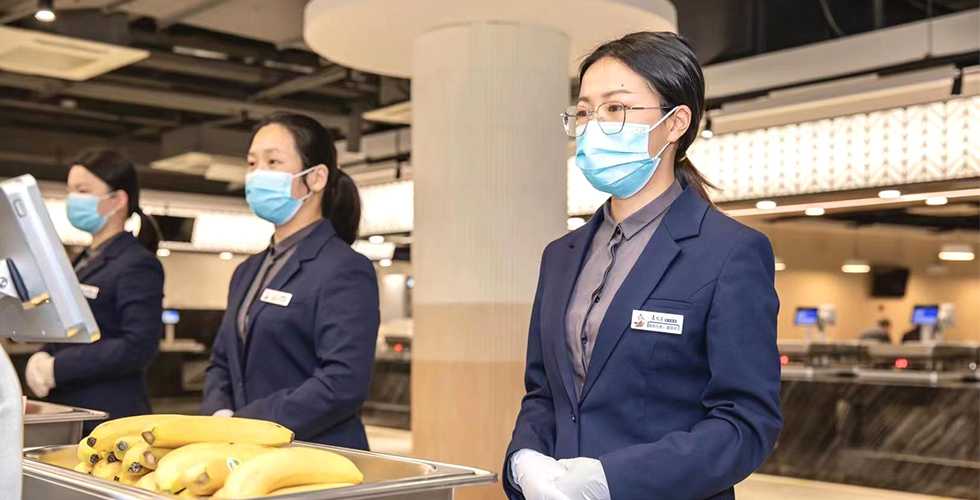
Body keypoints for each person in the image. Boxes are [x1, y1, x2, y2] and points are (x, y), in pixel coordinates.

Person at [504, 32, 782, 500]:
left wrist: (612, 480)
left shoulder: (729, 252)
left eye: (616, 108)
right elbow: (544, 393)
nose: (593, 126)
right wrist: (524, 458)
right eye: (585, 112)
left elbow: (745, 423)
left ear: (675, 124)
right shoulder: (560, 255)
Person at [202, 112, 380, 449]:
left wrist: (246, 424)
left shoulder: (344, 268)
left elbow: (342, 382)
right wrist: (219, 414)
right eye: (252, 163)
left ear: (316, 178)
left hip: (315, 453)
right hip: (242, 449)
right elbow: (222, 361)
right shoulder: (248, 271)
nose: (257, 174)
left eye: (273, 162)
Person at [25, 149, 164, 432]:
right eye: (70, 190)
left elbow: (138, 346)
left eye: (82, 191)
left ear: (117, 200)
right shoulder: (83, 260)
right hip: (70, 408)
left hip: (108, 416)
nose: (73, 199)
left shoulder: (137, 264)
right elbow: (73, 327)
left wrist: (58, 368)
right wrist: (43, 355)